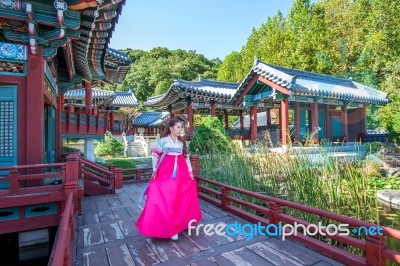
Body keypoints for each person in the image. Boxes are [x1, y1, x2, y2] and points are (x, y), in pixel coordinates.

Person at [135, 118, 202, 240]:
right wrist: (155, 170)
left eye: (181, 127)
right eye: (178, 127)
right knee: (164, 195)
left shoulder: (182, 142)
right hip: (166, 171)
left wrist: (190, 172)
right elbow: (155, 155)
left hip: (181, 171)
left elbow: (186, 158)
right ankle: (167, 227)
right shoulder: (162, 141)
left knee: (181, 195)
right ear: (171, 128)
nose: (180, 129)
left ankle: (180, 224)